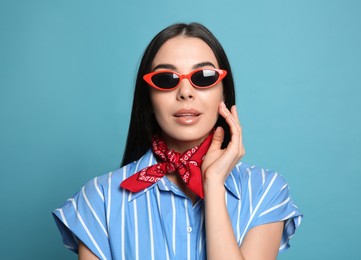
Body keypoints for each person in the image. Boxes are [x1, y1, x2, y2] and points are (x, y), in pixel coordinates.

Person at [53, 22, 302, 260]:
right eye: (166, 79)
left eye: (204, 76)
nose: (185, 92)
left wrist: (213, 184)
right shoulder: (100, 199)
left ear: (223, 91)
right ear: (148, 98)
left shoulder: (265, 191)